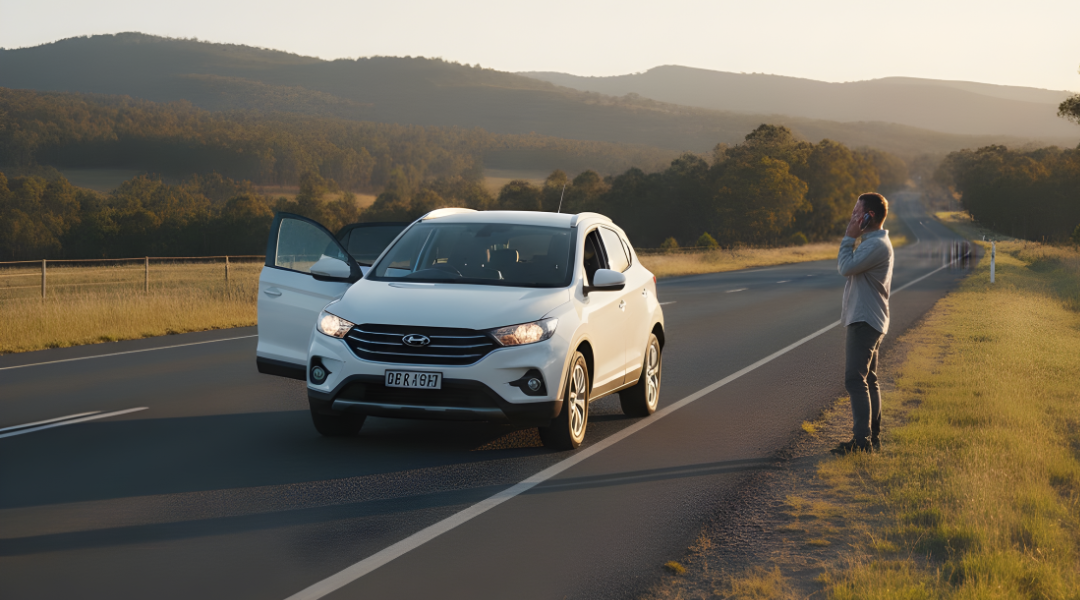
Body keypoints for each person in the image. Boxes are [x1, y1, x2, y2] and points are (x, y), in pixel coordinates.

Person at [833, 193, 894, 454]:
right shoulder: (873, 242)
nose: (852, 217)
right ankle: (872, 436)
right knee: (869, 379)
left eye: (857, 212)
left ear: (869, 216)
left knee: (855, 380)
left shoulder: (875, 245)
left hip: (865, 320)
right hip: (871, 317)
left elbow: (845, 267)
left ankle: (862, 442)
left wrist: (849, 237)